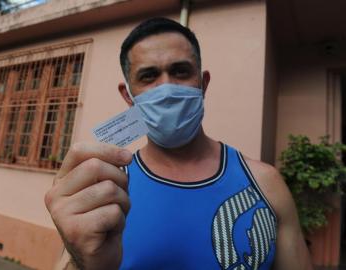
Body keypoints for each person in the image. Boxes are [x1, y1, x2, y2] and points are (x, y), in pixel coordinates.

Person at [44, 17, 313, 270]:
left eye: (180, 71)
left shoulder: (266, 184)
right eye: (149, 76)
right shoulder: (105, 189)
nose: (167, 88)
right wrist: (85, 261)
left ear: (203, 83)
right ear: (128, 96)